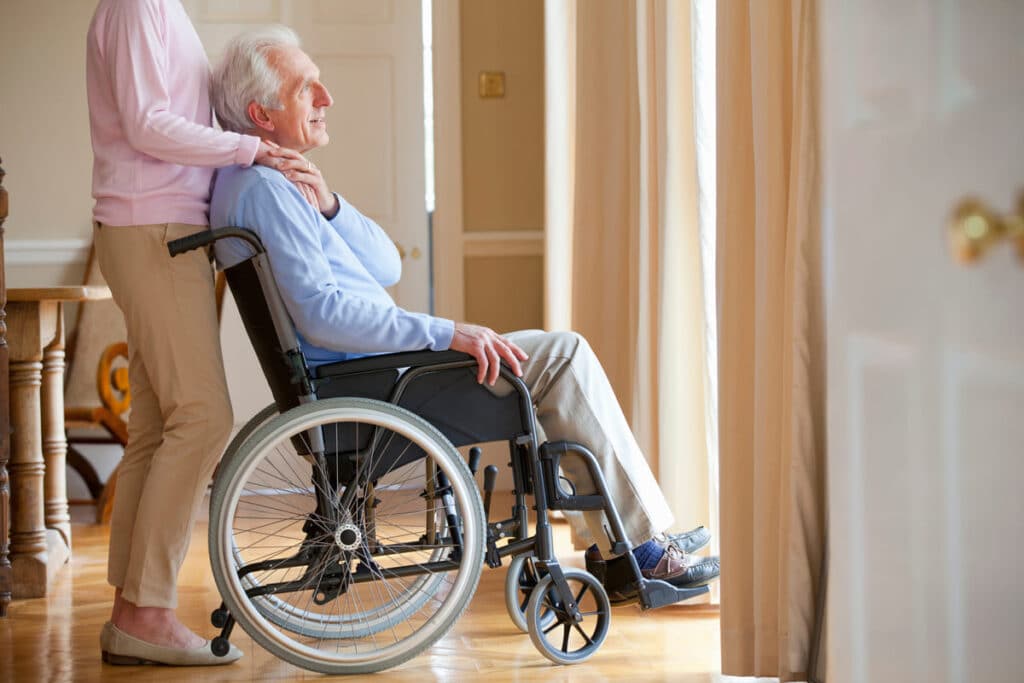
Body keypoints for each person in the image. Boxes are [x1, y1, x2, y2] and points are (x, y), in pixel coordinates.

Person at [208, 27, 720, 607]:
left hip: (374, 380)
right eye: (308, 89)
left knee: (552, 353)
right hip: (380, 390)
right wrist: (449, 332)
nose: (327, 98)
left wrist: (328, 204)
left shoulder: (268, 183)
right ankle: (638, 549)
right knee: (561, 355)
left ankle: (625, 542)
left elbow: (383, 266)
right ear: (261, 113)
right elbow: (325, 316)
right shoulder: (265, 190)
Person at [86, 0, 312, 667]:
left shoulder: (161, 8)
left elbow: (168, 117)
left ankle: (132, 609)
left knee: (158, 426)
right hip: (153, 229)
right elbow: (148, 124)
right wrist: (253, 148)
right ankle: (146, 610)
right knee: (205, 416)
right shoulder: (136, 7)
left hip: (161, 228)